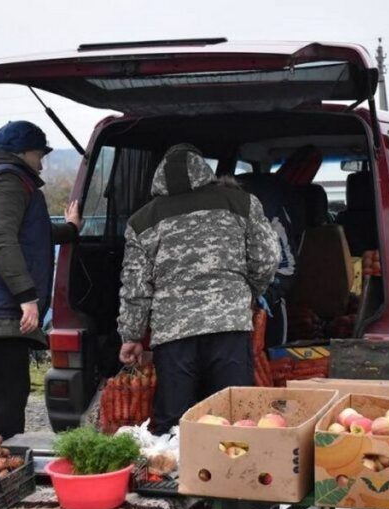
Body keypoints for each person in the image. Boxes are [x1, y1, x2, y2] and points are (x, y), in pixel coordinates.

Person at [117, 144, 281, 434]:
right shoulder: (241, 203)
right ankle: (234, 476)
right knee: (236, 415)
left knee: (175, 424)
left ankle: (177, 477)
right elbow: (268, 259)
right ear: (204, 170)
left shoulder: (142, 221)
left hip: (173, 336)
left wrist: (131, 335)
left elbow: (135, 286)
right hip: (229, 326)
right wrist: (247, 293)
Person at [0, 120, 81, 440]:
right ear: (22, 152)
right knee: (11, 394)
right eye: (39, 154)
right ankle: (2, 468)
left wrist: (70, 230)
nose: (42, 162)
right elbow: (1, 239)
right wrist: (26, 296)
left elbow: (30, 232)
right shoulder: (8, 179)